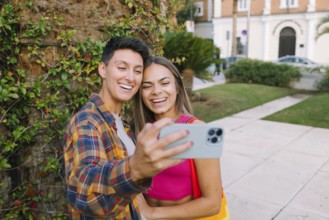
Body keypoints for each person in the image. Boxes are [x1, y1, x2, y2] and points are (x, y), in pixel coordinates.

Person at [63, 38, 192, 219]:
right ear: (103, 70)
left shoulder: (122, 126)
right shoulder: (88, 122)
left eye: (137, 71)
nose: (130, 77)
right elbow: (85, 195)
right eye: (122, 68)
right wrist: (134, 169)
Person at [134, 56, 223, 219]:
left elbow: (213, 203)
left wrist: (152, 213)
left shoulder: (199, 131)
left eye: (164, 83)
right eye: (147, 86)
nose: (156, 91)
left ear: (177, 87)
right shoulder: (139, 132)